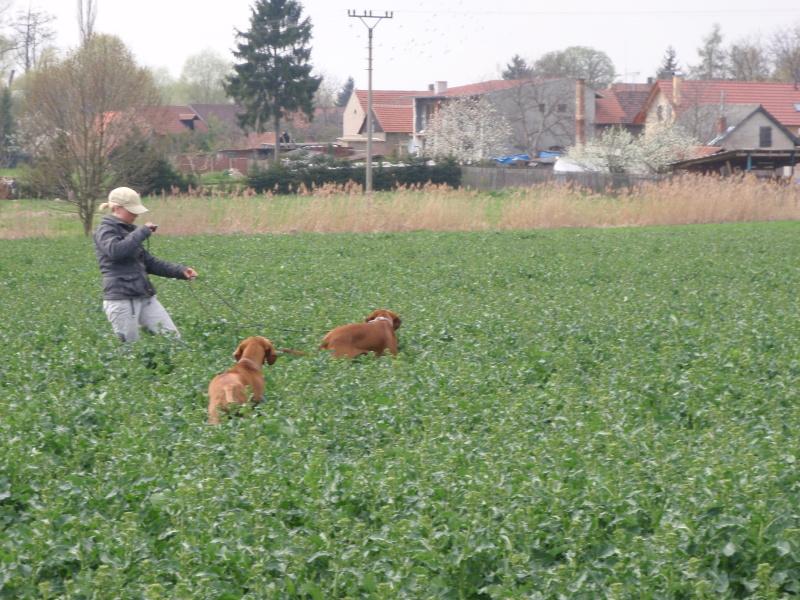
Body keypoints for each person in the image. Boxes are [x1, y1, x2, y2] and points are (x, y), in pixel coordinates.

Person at [93, 187, 197, 343]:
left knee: (174, 341)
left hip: (145, 295)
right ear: (116, 208)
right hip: (121, 300)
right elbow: (115, 251)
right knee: (130, 350)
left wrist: (180, 271)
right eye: (131, 210)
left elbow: (149, 263)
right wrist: (141, 232)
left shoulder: (131, 231)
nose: (136, 214)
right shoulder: (105, 229)